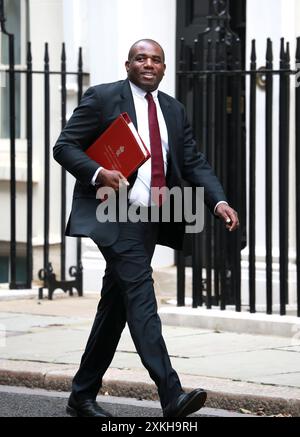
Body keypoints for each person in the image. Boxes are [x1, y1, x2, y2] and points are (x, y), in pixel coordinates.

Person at [53, 39, 239, 418]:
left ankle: (81, 395)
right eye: (141, 58)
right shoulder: (103, 98)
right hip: (113, 214)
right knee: (140, 296)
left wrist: (217, 201)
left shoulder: (173, 109)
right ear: (128, 64)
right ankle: (171, 393)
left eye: (156, 59)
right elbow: (65, 146)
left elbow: (192, 161)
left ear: (164, 68)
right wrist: (98, 172)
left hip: (148, 220)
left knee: (116, 306)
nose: (148, 64)